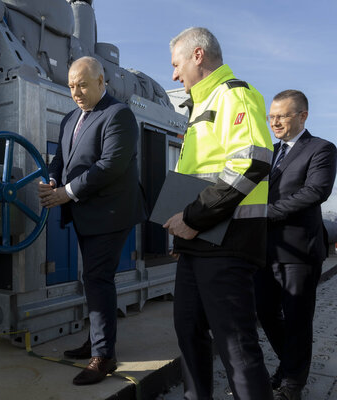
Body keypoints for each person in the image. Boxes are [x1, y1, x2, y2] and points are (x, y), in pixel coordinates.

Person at [163, 27, 274, 399]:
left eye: (176, 64)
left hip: (226, 242)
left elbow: (253, 161)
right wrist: (183, 229)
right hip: (199, 242)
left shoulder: (234, 95)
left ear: (198, 56)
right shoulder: (199, 108)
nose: (174, 75)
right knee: (188, 332)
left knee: (235, 347)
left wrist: (192, 218)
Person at [38, 56, 148, 385]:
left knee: (97, 278)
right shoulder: (70, 118)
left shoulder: (119, 115)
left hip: (112, 213)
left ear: (102, 82)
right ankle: (97, 342)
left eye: (83, 85)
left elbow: (110, 166)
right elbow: (61, 159)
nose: (76, 92)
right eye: (71, 86)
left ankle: (103, 357)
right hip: (85, 211)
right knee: (92, 278)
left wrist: (67, 193)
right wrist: (54, 180)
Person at [255, 90, 337, 400]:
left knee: (298, 319)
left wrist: (264, 213)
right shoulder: (268, 152)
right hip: (264, 249)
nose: (274, 122)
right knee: (265, 311)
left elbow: (316, 191)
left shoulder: (321, 149)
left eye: (281, 116)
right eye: (271, 116)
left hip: (298, 251)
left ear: (302, 116)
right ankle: (290, 366)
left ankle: (293, 383)